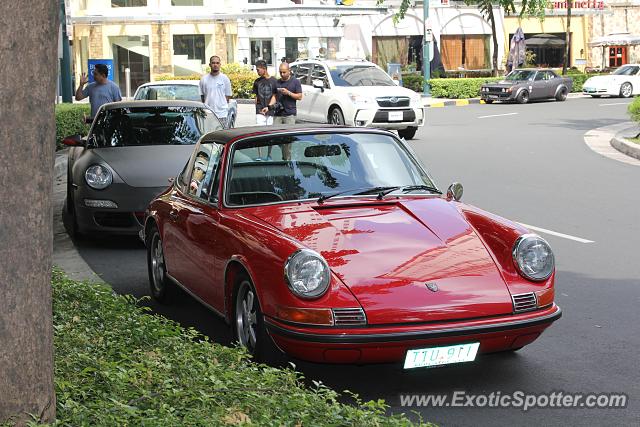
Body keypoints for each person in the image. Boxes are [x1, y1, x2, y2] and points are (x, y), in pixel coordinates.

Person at [270, 62, 303, 160]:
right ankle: (283, 153)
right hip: (278, 114)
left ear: (289, 71)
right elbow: (275, 96)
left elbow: (300, 96)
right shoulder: (277, 82)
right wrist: (269, 106)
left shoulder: (295, 82)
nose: (282, 74)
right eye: (280, 72)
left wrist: (288, 93)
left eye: (284, 72)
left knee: (288, 139)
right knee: (274, 136)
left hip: (290, 114)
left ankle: (286, 159)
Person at [252, 60, 278, 159]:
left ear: (264, 69)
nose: (257, 72)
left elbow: (275, 96)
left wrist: (269, 107)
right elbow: (256, 96)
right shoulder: (257, 81)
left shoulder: (274, 81)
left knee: (269, 134)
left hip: (270, 111)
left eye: (258, 70)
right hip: (259, 110)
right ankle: (260, 156)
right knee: (259, 133)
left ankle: (269, 155)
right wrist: (257, 108)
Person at [199, 55, 232, 128]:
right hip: (208, 113)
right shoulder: (204, 79)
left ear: (220, 64)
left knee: (222, 135)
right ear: (210, 65)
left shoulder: (225, 78)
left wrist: (221, 105)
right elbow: (202, 97)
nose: (215, 65)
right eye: (213, 63)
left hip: (222, 114)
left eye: (217, 63)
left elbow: (228, 96)